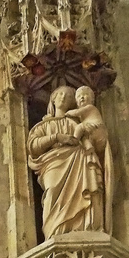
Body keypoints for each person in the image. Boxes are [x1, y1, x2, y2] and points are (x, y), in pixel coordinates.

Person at [26, 84, 111, 238]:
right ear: (52, 99)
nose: (64, 98)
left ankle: (87, 228)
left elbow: (97, 142)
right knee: (52, 191)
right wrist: (57, 137)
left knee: (89, 191)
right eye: (60, 94)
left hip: (80, 159)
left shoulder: (75, 122)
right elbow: (33, 146)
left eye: (69, 96)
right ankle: (54, 233)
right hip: (53, 164)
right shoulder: (44, 125)